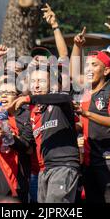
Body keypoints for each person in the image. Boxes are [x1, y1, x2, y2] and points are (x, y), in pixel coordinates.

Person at [7, 66, 80, 203]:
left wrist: (29, 98)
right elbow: (26, 144)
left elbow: (65, 98)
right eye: (33, 81)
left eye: (40, 81)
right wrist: (7, 137)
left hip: (63, 166)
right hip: (44, 170)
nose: (36, 85)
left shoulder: (60, 103)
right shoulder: (33, 112)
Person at [73, 51, 110, 203]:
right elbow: (82, 124)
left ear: (107, 70)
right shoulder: (86, 93)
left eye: (94, 65)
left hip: (109, 159)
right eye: (87, 65)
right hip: (88, 160)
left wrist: (85, 113)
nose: (89, 69)